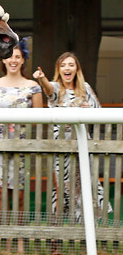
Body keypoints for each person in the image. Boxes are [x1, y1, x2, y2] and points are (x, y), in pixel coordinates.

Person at [33, 52, 108, 230]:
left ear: (76, 69)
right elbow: (48, 90)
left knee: (87, 188)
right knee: (61, 191)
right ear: (59, 69)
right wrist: (41, 78)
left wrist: (88, 109)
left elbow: (100, 113)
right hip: (61, 148)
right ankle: (56, 239)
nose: (67, 68)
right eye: (63, 65)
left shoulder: (86, 88)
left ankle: (88, 234)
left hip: (83, 145)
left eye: (71, 65)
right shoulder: (56, 87)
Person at [0, 39, 41, 253]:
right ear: (3, 59)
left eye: (17, 56)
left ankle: (20, 241)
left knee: (19, 192)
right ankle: (5, 240)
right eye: (9, 56)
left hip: (21, 146)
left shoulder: (33, 86)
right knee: (0, 191)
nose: (13, 60)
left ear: (23, 59)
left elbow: (38, 118)